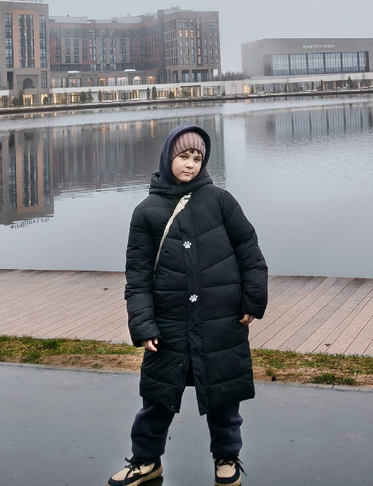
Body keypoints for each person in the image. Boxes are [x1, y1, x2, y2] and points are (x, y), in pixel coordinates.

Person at [108, 124, 268, 486]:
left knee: (224, 396)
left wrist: (253, 301)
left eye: (198, 157)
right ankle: (146, 461)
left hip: (220, 321)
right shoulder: (146, 211)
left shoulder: (220, 201)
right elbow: (138, 276)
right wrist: (143, 324)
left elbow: (251, 254)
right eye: (184, 156)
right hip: (169, 324)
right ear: (168, 157)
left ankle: (226, 457)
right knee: (157, 399)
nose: (191, 164)